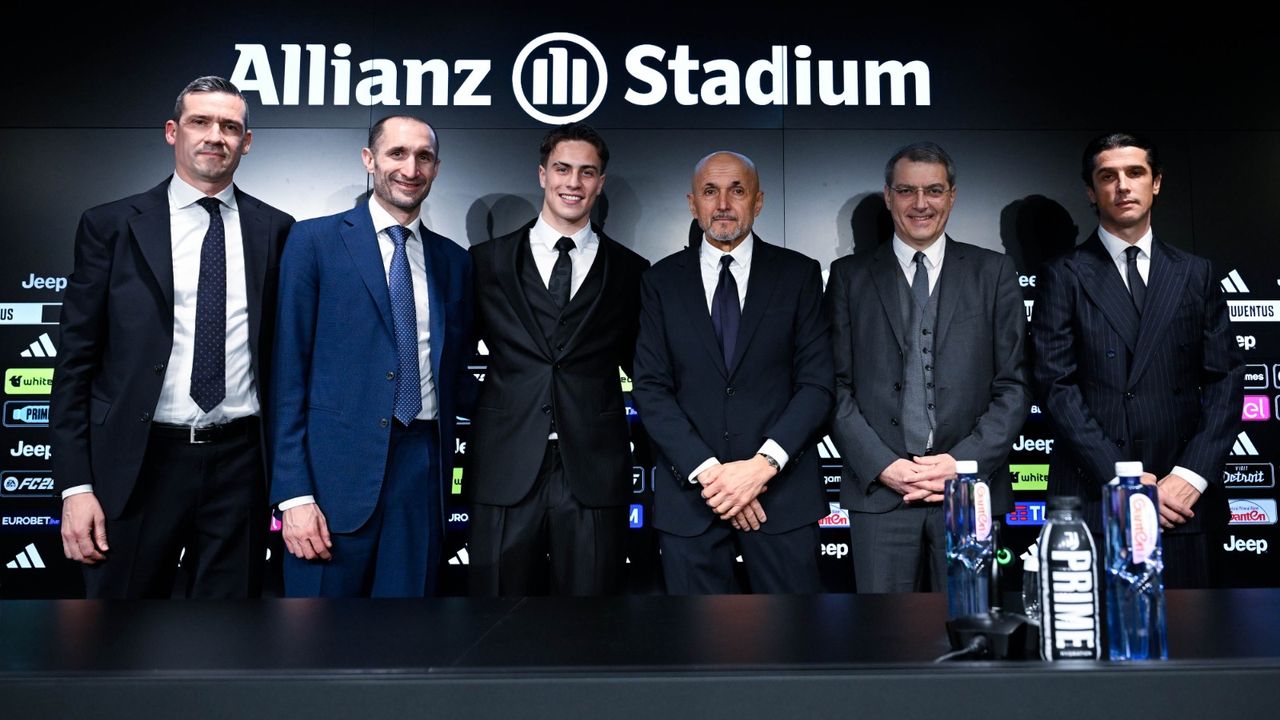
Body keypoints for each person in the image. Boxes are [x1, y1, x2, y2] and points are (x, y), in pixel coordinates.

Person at [51, 76, 293, 598]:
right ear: (171, 131)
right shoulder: (110, 225)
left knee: (230, 633)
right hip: (137, 464)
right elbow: (74, 365)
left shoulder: (278, 230)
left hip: (241, 467)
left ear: (247, 141)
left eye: (230, 126)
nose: (215, 136)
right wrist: (75, 485)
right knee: (117, 632)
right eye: (199, 121)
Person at [271, 115, 473, 597]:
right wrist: (293, 494)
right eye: (397, 153)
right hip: (329, 485)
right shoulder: (312, 242)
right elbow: (287, 374)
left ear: (437, 168)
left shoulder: (454, 261)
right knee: (316, 636)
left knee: (405, 633)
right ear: (369, 160)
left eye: (424, 157)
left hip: (421, 474)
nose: (411, 168)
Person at [1030, 132, 1243, 587]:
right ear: (1091, 191)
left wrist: (1191, 475)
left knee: (1191, 627)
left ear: (1156, 182)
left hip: (1180, 499)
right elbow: (1055, 385)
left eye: (1135, 173)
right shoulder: (1062, 274)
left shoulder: (1196, 272)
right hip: (1095, 495)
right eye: (1108, 176)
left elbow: (1225, 380)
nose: (1123, 186)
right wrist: (1121, 479)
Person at [825, 141, 1029, 593]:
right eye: (906, 191)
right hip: (880, 495)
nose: (921, 204)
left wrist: (960, 464)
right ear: (888, 196)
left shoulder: (994, 272)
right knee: (883, 631)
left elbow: (1014, 386)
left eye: (934, 190)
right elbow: (834, 387)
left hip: (970, 492)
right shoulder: (848, 276)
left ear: (951, 196)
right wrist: (884, 466)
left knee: (971, 626)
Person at [632, 151, 833, 594]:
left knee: (794, 634)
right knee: (696, 637)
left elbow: (817, 385)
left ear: (758, 202)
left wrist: (760, 468)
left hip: (781, 498)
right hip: (693, 501)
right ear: (693, 204)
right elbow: (650, 388)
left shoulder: (798, 275)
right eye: (710, 191)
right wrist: (713, 476)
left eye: (737, 190)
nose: (723, 203)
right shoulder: (660, 282)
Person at [467, 123, 649, 596]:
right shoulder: (485, 261)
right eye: (562, 169)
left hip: (594, 469)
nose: (573, 182)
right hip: (504, 465)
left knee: (593, 621)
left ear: (600, 183)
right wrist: (494, 410)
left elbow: (648, 375)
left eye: (587, 172)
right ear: (542, 175)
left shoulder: (632, 270)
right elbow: (451, 359)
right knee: (496, 618)